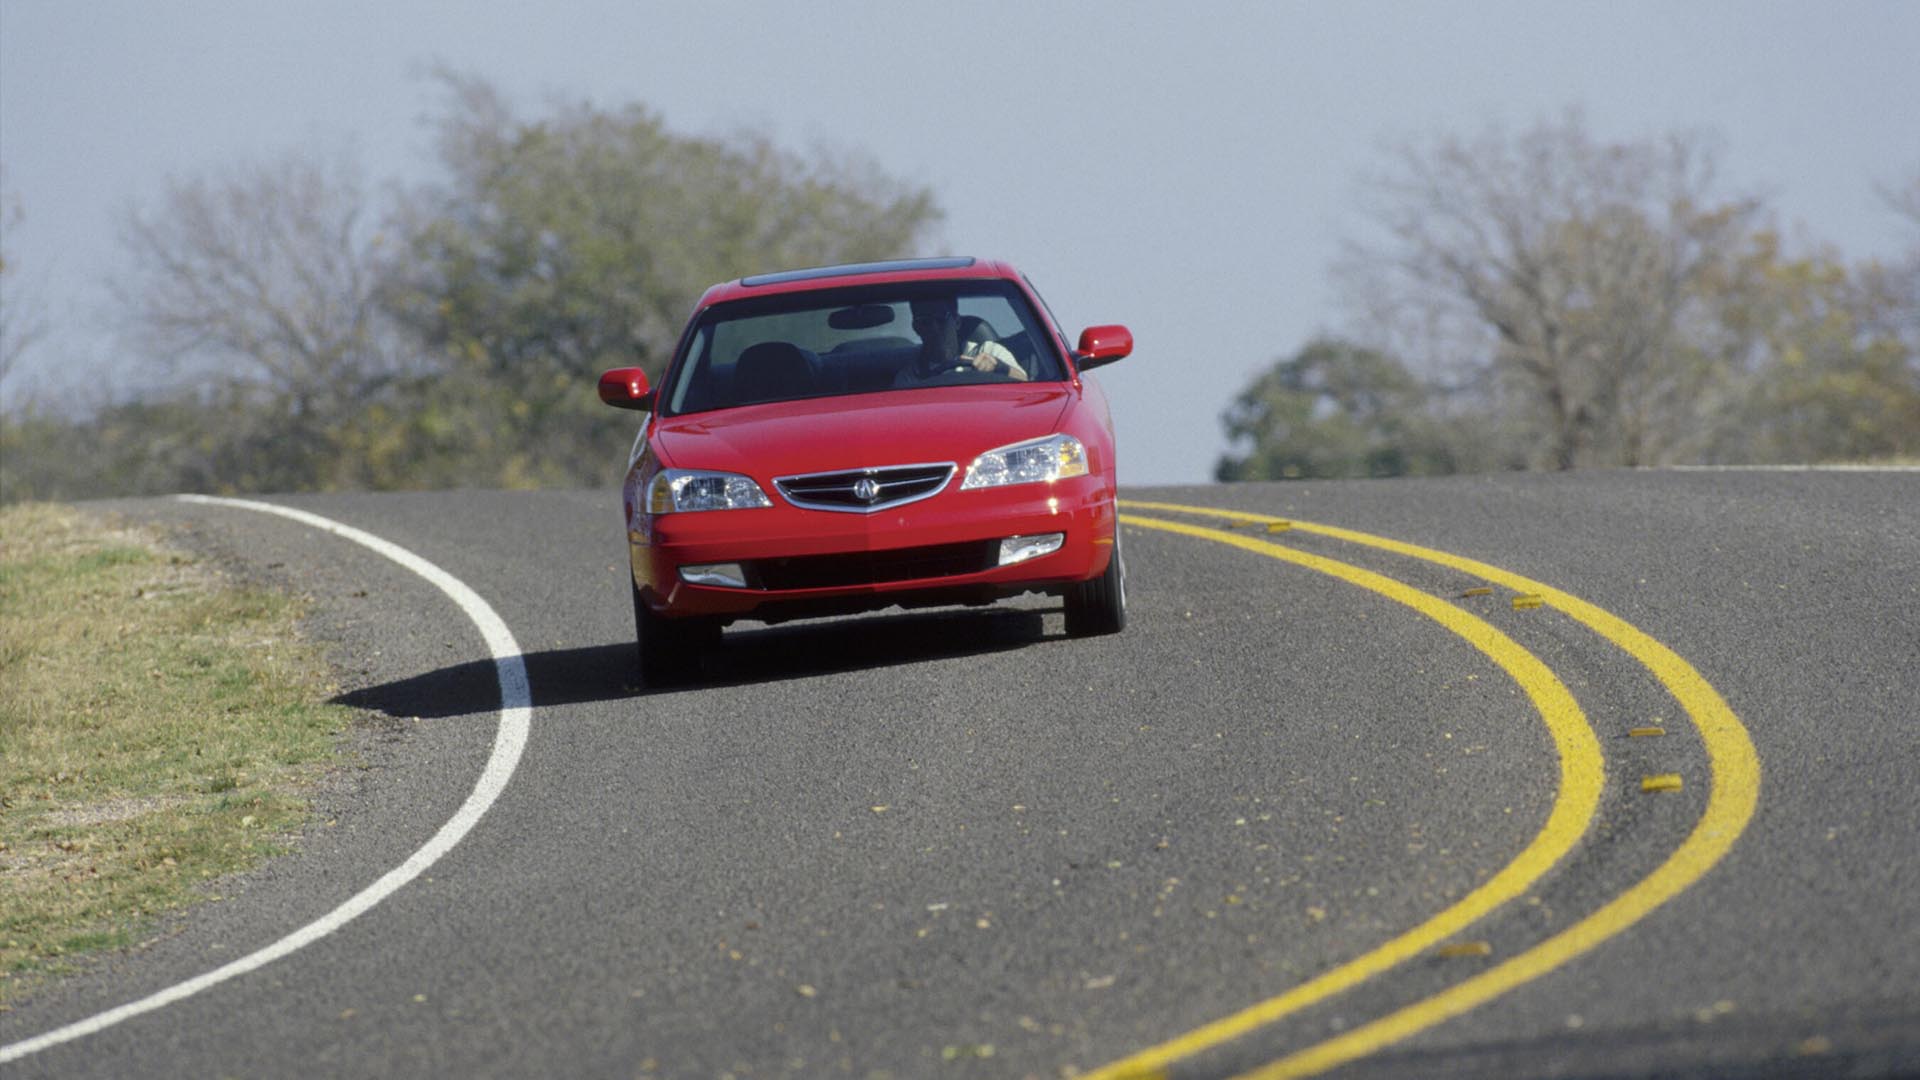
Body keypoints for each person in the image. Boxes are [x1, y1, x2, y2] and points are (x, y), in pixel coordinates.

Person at [903, 297, 1029, 382]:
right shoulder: (912, 375)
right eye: (925, 322)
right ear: (916, 327)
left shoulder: (990, 351)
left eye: (940, 319)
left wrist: (999, 368)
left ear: (957, 322)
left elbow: (1023, 381)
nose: (934, 328)